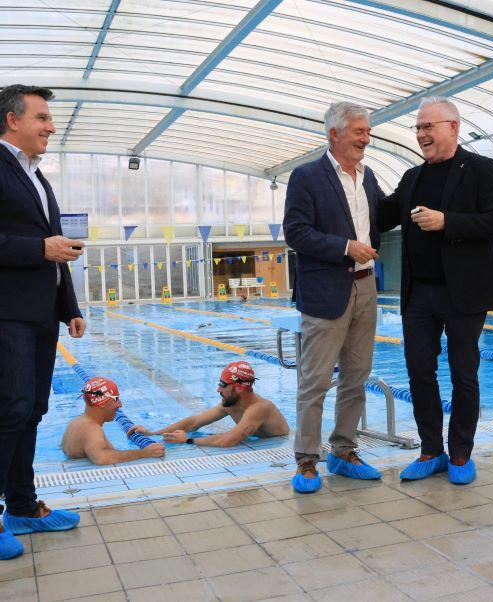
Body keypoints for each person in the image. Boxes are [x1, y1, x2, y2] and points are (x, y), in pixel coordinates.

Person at [378, 96, 493, 485]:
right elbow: (382, 216)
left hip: (463, 292)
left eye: (428, 127)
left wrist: (446, 221)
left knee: (463, 373)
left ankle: (461, 453)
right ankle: (431, 450)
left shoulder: (481, 169)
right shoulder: (412, 177)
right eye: (418, 128)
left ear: (453, 127)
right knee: (419, 371)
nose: (421, 134)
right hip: (419, 293)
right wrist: (356, 178)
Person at [0, 85, 87, 561]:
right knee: (10, 410)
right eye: (42, 117)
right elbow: (43, 247)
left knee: (32, 410)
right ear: (13, 120)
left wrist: (69, 307)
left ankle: (22, 507)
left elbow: (56, 250)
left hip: (39, 314)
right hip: (6, 313)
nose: (51, 127)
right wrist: (39, 248)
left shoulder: (36, 177)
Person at [283, 102, 384, 493]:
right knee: (315, 381)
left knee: (356, 377)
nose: (366, 138)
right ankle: (307, 460)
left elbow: (381, 218)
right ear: (334, 134)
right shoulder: (307, 176)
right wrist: (345, 247)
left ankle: (344, 451)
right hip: (326, 290)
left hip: (365, 286)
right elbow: (296, 232)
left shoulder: (368, 177)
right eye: (359, 131)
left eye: (368, 131)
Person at [129, 361, 289, 446]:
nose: (218, 389)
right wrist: (152, 434)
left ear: (239, 388)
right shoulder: (231, 404)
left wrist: (188, 440)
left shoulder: (260, 408)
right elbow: (193, 422)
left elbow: (229, 441)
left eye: (223, 384)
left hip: (282, 443)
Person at [62, 377, 166, 464]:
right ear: (102, 402)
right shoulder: (91, 429)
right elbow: (101, 458)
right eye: (116, 399)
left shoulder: (76, 422)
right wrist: (144, 453)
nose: (120, 404)